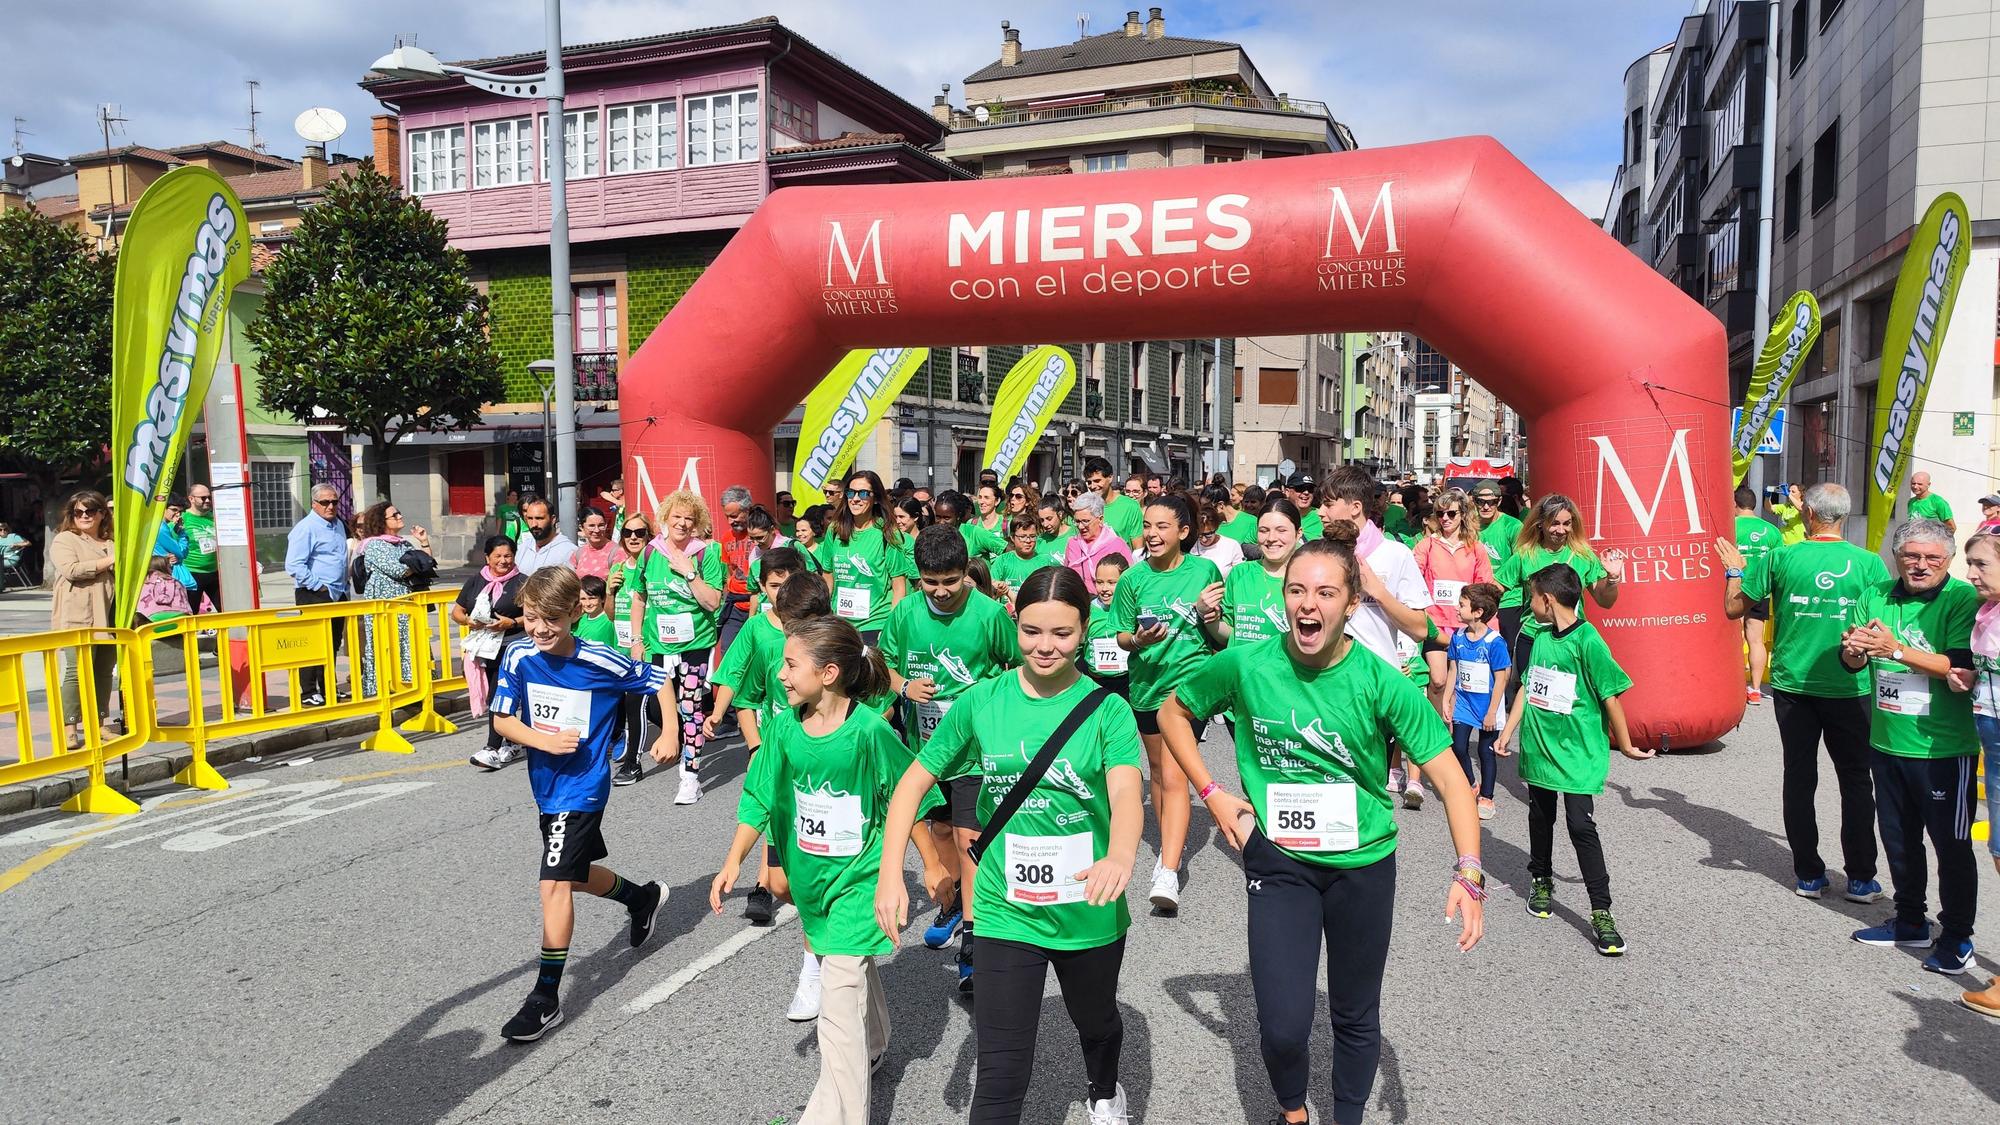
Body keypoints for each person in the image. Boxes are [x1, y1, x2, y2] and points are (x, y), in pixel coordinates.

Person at [1160, 537, 1485, 1125]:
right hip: (1279, 860)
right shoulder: (1246, 662)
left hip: (1362, 864)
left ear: (1352, 605)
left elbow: (1452, 781)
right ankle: (1292, 1110)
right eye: (1297, 591)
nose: (1308, 605)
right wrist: (1214, 794)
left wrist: (1469, 872)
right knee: (1283, 1025)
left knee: (1355, 1014)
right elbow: (1173, 713)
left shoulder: (1381, 680)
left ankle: (1348, 1117)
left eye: (1326, 593)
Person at [877, 566, 1144, 1125]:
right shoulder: (981, 701)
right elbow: (912, 783)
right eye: (1031, 631)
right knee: (999, 1073)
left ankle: (1104, 1090)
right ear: (1014, 626)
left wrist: (1120, 855)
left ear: (1085, 630)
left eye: (1062, 634)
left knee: (1095, 1021)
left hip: (1086, 905)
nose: (1045, 647)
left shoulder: (1108, 709)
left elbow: (1124, 792)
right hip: (1004, 906)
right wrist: (888, 874)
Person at [713, 616, 918, 1123]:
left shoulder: (869, 729)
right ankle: (875, 1043)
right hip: (812, 879)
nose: (780, 675)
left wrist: (931, 866)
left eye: (789, 664)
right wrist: (733, 861)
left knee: (838, 995)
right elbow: (760, 794)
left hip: (859, 880)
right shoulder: (783, 727)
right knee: (841, 966)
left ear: (828, 673)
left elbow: (908, 793)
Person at [488, 565, 671, 1042]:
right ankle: (641, 898)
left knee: (553, 884)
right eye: (530, 617)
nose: (540, 628)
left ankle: (545, 999)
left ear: (575, 611)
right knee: (572, 873)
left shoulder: (602, 660)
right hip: (545, 784)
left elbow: (659, 681)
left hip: (585, 787)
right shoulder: (518, 655)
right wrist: (543, 741)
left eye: (551, 618)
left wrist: (670, 731)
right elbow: (504, 721)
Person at [1717, 482, 1887, 902]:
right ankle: (1862, 879)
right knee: (1856, 781)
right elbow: (1884, 627)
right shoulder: (1869, 564)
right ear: (1843, 517)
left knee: (1799, 775)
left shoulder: (1781, 557)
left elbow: (1733, 608)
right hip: (1852, 685)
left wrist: (1735, 570)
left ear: (1809, 515)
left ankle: (1809, 875)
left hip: (1794, 686)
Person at [881, 525, 1021, 992]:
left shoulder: (988, 614)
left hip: (975, 753)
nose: (940, 591)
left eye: (951, 580)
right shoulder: (904, 613)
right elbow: (881, 664)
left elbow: (1018, 667)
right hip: (923, 751)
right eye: (930, 581)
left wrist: (988, 698)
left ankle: (974, 946)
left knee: (968, 839)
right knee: (940, 832)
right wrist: (903, 686)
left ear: (967, 573)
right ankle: (955, 902)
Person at [1838, 519, 1980, 975]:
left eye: (1932, 558)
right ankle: (1910, 920)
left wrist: (1895, 649)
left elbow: (1960, 671)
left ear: (1948, 561)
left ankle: (1957, 936)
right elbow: (1850, 661)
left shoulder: (1961, 599)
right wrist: (1856, 650)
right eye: (1911, 557)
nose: (1920, 566)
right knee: (1899, 841)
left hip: (1944, 748)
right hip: (1886, 740)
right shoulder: (1875, 593)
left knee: (1951, 847)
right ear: (1896, 557)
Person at [1498, 564, 1654, 954]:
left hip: (1578, 750)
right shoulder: (1541, 638)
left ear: (1547, 600)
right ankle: (1541, 879)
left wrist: (1627, 743)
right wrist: (1506, 731)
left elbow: (1611, 694)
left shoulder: (1588, 640)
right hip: (1540, 747)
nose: (1529, 603)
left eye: (1532, 596)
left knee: (1580, 825)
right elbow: (1526, 688)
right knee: (1540, 815)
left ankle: (1602, 911)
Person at [1113, 493, 1222, 913]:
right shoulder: (1132, 580)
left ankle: (1168, 870)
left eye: (1162, 526)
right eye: (1148, 525)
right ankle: (1166, 841)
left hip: (1188, 687)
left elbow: (1217, 628)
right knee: (1157, 773)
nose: (1153, 534)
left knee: (1176, 776)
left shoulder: (1204, 570)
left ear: (1183, 531)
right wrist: (1137, 640)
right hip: (1146, 684)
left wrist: (1205, 615)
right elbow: (1120, 635)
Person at [707, 550, 815, 928]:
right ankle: (765, 884)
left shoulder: (823, 633)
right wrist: (747, 739)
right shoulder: (756, 628)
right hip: (774, 740)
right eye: (774, 586)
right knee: (770, 810)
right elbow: (740, 683)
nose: (781, 593)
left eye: (789, 585)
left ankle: (773, 884)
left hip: (819, 743)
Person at [1314, 467, 1432, 806]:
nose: (1320, 511)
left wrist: (1377, 591)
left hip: (1372, 687)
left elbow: (1420, 628)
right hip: (1322, 682)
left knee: (1366, 790)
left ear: (1354, 507)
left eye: (1328, 503)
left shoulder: (1394, 555)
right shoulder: (1317, 551)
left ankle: (1368, 853)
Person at [630, 489, 726, 803]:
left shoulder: (705, 553)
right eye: (677, 517)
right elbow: (639, 598)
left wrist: (689, 572)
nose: (683, 524)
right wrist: (636, 639)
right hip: (658, 644)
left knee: (690, 706)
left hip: (695, 643)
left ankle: (690, 775)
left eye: (689, 519)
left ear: (697, 523)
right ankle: (673, 741)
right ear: (665, 519)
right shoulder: (649, 552)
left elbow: (712, 602)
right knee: (663, 708)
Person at [1493, 493, 1625, 694]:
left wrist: (1613, 579)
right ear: (1540, 524)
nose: (1561, 530)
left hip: (1570, 639)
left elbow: (1605, 601)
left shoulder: (1583, 556)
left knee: (1566, 700)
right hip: (1533, 637)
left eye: (1567, 524)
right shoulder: (1525, 555)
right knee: (1533, 700)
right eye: (1554, 523)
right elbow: (1495, 589)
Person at [1954, 532, 2000, 1016]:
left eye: (1980, 565)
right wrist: (1973, 679)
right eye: (1969, 564)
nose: (1971, 574)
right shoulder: (1989, 611)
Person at [1413, 488, 1496, 715]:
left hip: (1465, 626)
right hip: (1436, 623)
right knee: (1438, 681)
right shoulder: (1427, 545)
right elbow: (1411, 577)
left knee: (1460, 685)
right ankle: (1437, 733)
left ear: (1462, 515)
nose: (1445, 519)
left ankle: (1452, 734)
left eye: (1451, 513)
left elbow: (1485, 586)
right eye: (1440, 514)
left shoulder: (1476, 548)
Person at [50, 492, 119, 746]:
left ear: (102, 513)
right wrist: (108, 561)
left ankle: (99, 723)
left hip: (110, 615)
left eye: (90, 511)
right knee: (76, 672)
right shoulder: (65, 539)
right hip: (78, 615)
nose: (84, 516)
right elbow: (71, 570)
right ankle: (70, 726)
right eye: (79, 512)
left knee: (103, 671)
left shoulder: (111, 540)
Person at [817, 471, 914, 646]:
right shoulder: (835, 530)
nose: (855, 498)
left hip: (876, 624)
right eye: (850, 492)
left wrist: (890, 628)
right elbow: (828, 577)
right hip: (841, 625)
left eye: (863, 493)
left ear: (875, 498)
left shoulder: (887, 533)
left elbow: (899, 587)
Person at [457, 536, 529, 770]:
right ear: (487, 558)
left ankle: (491, 748)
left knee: (498, 696)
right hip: (484, 648)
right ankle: (514, 741)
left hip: (512, 647)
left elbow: (533, 615)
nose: (503, 561)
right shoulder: (476, 581)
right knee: (498, 696)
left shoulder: (523, 582)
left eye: (508, 556)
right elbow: (457, 611)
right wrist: (468, 620)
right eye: (497, 556)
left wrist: (512, 623)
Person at [1443, 583, 1510, 820]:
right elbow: (1453, 669)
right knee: (1458, 746)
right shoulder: (1458, 636)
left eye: (1461, 605)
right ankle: (1471, 783)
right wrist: (1446, 700)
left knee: (1485, 750)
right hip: (1463, 702)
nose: (1457, 608)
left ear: (1478, 611)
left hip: (1487, 706)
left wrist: (1492, 712)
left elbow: (1502, 679)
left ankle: (1487, 797)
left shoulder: (1495, 642)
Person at [355, 500, 435, 695]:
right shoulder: (374, 545)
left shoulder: (404, 543)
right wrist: (418, 565)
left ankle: (414, 686)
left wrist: (423, 542)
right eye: (395, 515)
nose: (400, 517)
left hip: (408, 605)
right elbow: (398, 570)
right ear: (381, 521)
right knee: (388, 645)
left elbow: (428, 564)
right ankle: (385, 688)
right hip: (387, 607)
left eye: (399, 513)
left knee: (411, 643)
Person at [1202, 495, 1301, 651]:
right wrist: (1209, 618)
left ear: (1298, 533)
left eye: (1281, 530)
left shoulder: (1308, 578)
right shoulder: (1240, 573)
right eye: (1263, 531)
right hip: (1242, 671)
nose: (1271, 538)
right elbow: (1230, 636)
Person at [286, 484, 350, 708]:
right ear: (314, 504)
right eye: (325, 502)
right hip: (314, 593)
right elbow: (294, 565)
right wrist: (318, 586)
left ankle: (328, 688)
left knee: (332, 643)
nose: (330, 506)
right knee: (313, 644)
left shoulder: (338, 524)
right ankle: (308, 691)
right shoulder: (306, 528)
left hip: (338, 592)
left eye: (334, 501)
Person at [1729, 486, 1783, 703]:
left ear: (1734, 504)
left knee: (1734, 638)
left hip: (1735, 589)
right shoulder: (1772, 531)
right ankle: (1755, 689)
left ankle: (1732, 688)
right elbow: (1779, 564)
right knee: (1755, 640)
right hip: (1762, 590)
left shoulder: (1729, 527)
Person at [715, 484, 757, 660]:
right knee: (728, 654)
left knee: (754, 656)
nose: (731, 521)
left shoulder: (762, 534)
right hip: (734, 607)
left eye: (734, 516)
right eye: (727, 517)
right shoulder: (726, 538)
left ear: (747, 510)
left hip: (758, 603)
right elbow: (729, 571)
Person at [1064, 492, 1132, 597]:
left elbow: (1129, 581)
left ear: (1100, 519)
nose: (1081, 527)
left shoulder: (1117, 545)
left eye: (1085, 521)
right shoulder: (1073, 544)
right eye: (1077, 521)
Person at [1085, 556, 1133, 698]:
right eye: (1099, 582)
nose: (1104, 589)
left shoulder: (1133, 608)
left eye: (1112, 583)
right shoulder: (1088, 610)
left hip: (1127, 683)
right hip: (1096, 682)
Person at [992, 514, 1057, 602]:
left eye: (1032, 536)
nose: (1028, 541)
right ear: (1012, 537)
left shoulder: (1045, 562)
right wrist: (998, 588)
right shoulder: (1002, 561)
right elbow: (991, 589)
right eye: (1022, 537)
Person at [1084, 456, 1143, 548]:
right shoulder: (1085, 507)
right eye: (1089, 482)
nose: (1093, 486)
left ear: (1110, 478)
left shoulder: (1130, 506)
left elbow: (1138, 548)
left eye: (1097, 481)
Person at [936, 490, 1006, 562]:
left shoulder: (974, 533)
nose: (941, 522)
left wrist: (997, 571)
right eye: (938, 517)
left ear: (958, 515)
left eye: (946, 518)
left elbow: (1008, 551)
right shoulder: (931, 536)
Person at [182, 484, 221, 612]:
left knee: (226, 609)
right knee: (191, 611)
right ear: (191, 499)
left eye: (209, 497)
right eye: (203, 498)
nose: (208, 501)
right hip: (193, 573)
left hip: (215, 572)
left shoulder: (213, 517)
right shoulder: (183, 519)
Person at [514, 497, 577, 576]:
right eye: (530, 518)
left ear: (553, 519)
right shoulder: (523, 548)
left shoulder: (568, 551)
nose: (534, 524)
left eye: (539, 518)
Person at [1191, 500, 1246, 577]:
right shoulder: (1194, 548)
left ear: (1216, 528)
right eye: (1200, 535)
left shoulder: (1232, 545)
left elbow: (1240, 574)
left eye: (1208, 535)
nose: (1204, 539)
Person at [571, 508, 617, 580]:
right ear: (582, 528)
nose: (597, 530)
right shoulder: (578, 553)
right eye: (591, 526)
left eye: (601, 525)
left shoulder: (617, 552)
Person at [574, 575, 616, 644]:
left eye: (592, 598)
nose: (587, 603)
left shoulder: (609, 620)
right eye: (583, 599)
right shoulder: (578, 620)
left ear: (603, 598)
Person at [1034, 497, 1073, 568]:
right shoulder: (1040, 540)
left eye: (1049, 519)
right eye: (1042, 520)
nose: (1045, 524)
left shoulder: (1075, 534)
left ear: (1060, 514)